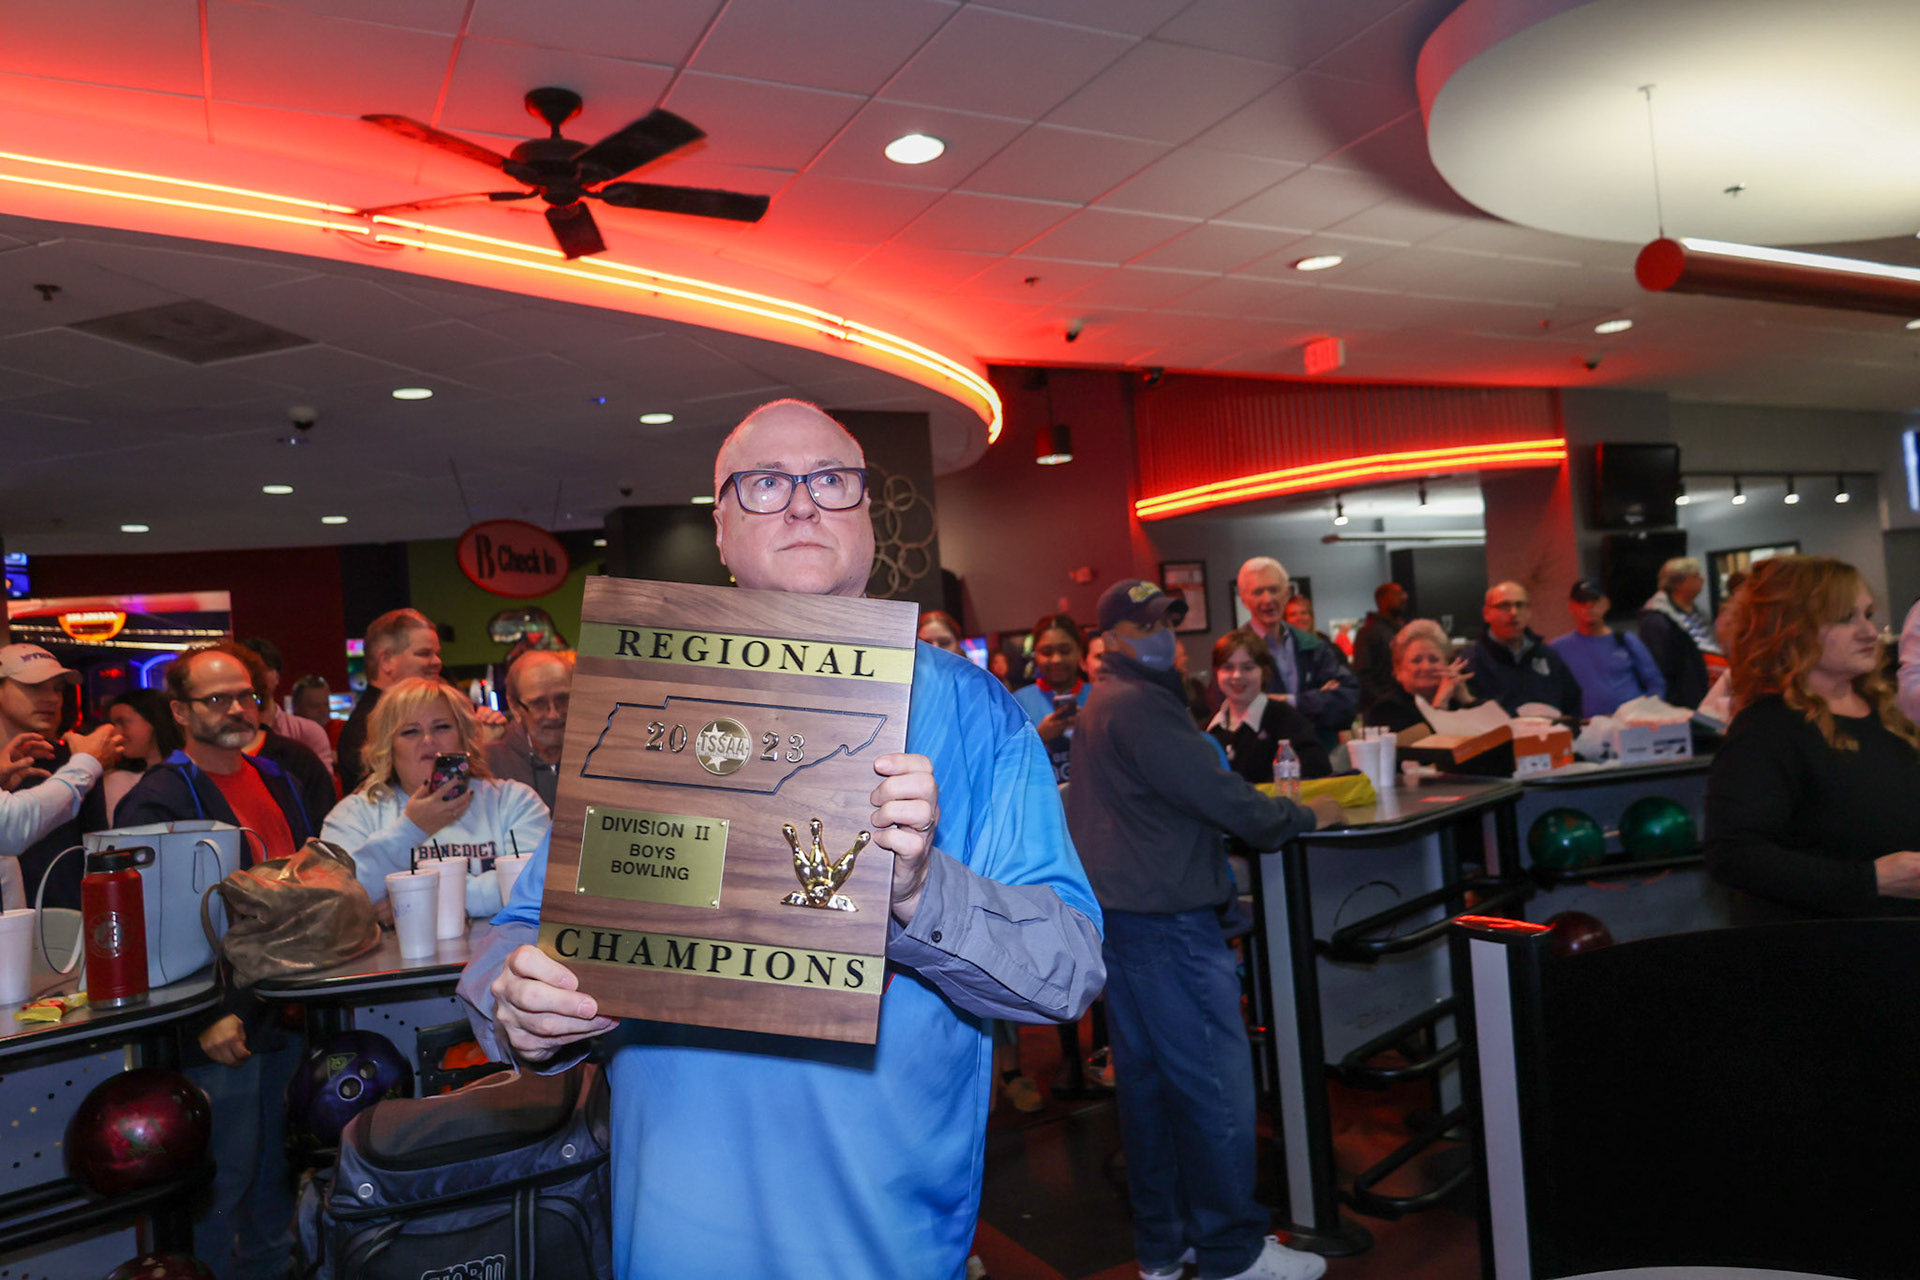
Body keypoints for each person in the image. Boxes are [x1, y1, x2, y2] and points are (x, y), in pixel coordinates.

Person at [455, 400, 1104, 1280]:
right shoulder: (646, 698)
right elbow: (515, 934)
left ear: (869, 515)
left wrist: (917, 894)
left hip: (891, 1241)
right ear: (720, 530)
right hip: (675, 1236)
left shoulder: (972, 712)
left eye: (832, 481)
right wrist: (517, 1007)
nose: (802, 504)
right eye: (764, 484)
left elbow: (1070, 968)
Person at [1067, 578, 1338, 1280]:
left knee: (1152, 1089)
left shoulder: (1104, 703)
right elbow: (1225, 800)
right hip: (1171, 926)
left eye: (1171, 621)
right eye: (1150, 624)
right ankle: (1231, 1251)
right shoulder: (1142, 707)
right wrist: (1305, 816)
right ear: (1116, 639)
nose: (1167, 635)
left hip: (1126, 922)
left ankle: (1165, 1245)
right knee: (1214, 1086)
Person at [113, 642, 318, 1280]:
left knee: (276, 1189)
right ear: (179, 710)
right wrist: (203, 1015)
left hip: (286, 1009)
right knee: (219, 1190)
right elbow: (144, 928)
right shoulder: (158, 798)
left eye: (247, 696)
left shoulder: (278, 778)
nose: (237, 708)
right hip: (216, 1027)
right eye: (217, 698)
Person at [1704, 555, 1920, 924]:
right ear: (1792, 629)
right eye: (1844, 618)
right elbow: (1733, 854)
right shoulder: (1767, 728)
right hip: (1826, 954)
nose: (1869, 632)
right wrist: (1869, 881)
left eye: (1867, 614)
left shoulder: (1884, 713)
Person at [325, 675, 550, 918]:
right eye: (410, 731)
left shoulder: (515, 801)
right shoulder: (353, 814)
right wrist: (412, 828)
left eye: (442, 727)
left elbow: (538, 888)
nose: (428, 740)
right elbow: (335, 903)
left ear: (464, 736)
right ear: (388, 745)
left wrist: (414, 901)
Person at [1, 644, 122, 907]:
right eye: (35, 686)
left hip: (63, 925)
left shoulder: (73, 758)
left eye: (58, 688)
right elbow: (12, 828)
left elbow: (95, 849)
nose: (52, 698)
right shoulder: (82, 762)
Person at [1234, 557, 1359, 743]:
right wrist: (1318, 699)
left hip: (1318, 760)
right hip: (1263, 764)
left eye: (1274, 589)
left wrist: (1291, 701)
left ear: (1287, 593)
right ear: (1244, 599)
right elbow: (1233, 713)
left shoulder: (1314, 646)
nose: (1267, 599)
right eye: (1258, 592)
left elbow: (1347, 704)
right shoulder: (1234, 651)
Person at [337, 609, 444, 794]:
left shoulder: (409, 714)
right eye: (424, 653)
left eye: (437, 653)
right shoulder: (366, 727)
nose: (437, 662)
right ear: (386, 660)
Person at [1207, 627, 1330, 783]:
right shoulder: (1208, 730)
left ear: (1264, 672)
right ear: (1216, 672)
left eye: (1248, 668)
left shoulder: (1287, 720)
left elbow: (1319, 768)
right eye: (1228, 667)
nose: (1237, 675)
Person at [1462, 581, 1583, 718]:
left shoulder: (1548, 656)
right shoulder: (1469, 662)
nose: (1514, 613)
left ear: (1528, 611)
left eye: (1519, 605)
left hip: (1549, 738)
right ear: (1487, 613)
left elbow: (1573, 704)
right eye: (1504, 606)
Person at [1550, 578, 1667, 717]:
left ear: (1606, 604)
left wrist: (1647, 713)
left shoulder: (1626, 641)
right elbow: (1549, 691)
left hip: (1629, 725)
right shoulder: (1558, 648)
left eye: (1594, 601)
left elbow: (1655, 682)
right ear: (1571, 607)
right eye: (1581, 602)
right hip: (1585, 729)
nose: (1588, 607)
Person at [484, 649, 574, 811]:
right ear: (514, 706)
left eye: (563, 699)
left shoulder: (602, 753)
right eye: (538, 703)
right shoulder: (489, 763)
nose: (553, 714)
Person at [1010, 613, 1091, 785]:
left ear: (1079, 651)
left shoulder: (1098, 697)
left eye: (1065, 651)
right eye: (1047, 652)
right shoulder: (1017, 702)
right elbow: (1008, 764)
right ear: (1035, 655)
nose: (1056, 659)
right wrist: (1040, 737)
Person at [1363, 619, 1481, 733]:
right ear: (1398, 668)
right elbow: (1425, 750)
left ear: (1447, 663)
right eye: (1416, 660)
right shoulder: (1385, 710)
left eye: (1434, 659)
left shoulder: (1455, 700)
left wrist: (1467, 700)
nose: (1426, 667)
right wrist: (1440, 705)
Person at [238, 637, 334, 771]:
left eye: (264, 669)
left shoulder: (308, 731)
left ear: (277, 676)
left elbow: (321, 787)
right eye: (249, 670)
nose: (257, 677)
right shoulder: (233, 731)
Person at [1639, 556, 1719, 709]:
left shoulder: (1698, 613)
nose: (1702, 581)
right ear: (1679, 583)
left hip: (1708, 694)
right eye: (1696, 577)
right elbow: (1659, 668)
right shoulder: (1657, 620)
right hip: (1685, 701)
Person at [102, 688, 183, 822]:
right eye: (113, 724)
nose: (116, 733)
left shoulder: (188, 771)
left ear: (154, 720)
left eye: (122, 722)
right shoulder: (118, 780)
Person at [1352, 583, 1409, 707]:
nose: (1404, 598)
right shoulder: (1368, 632)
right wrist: (1381, 702)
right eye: (1397, 594)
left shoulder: (1403, 630)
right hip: (1383, 708)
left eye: (1403, 594)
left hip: (1406, 705)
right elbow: (1362, 674)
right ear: (1382, 600)